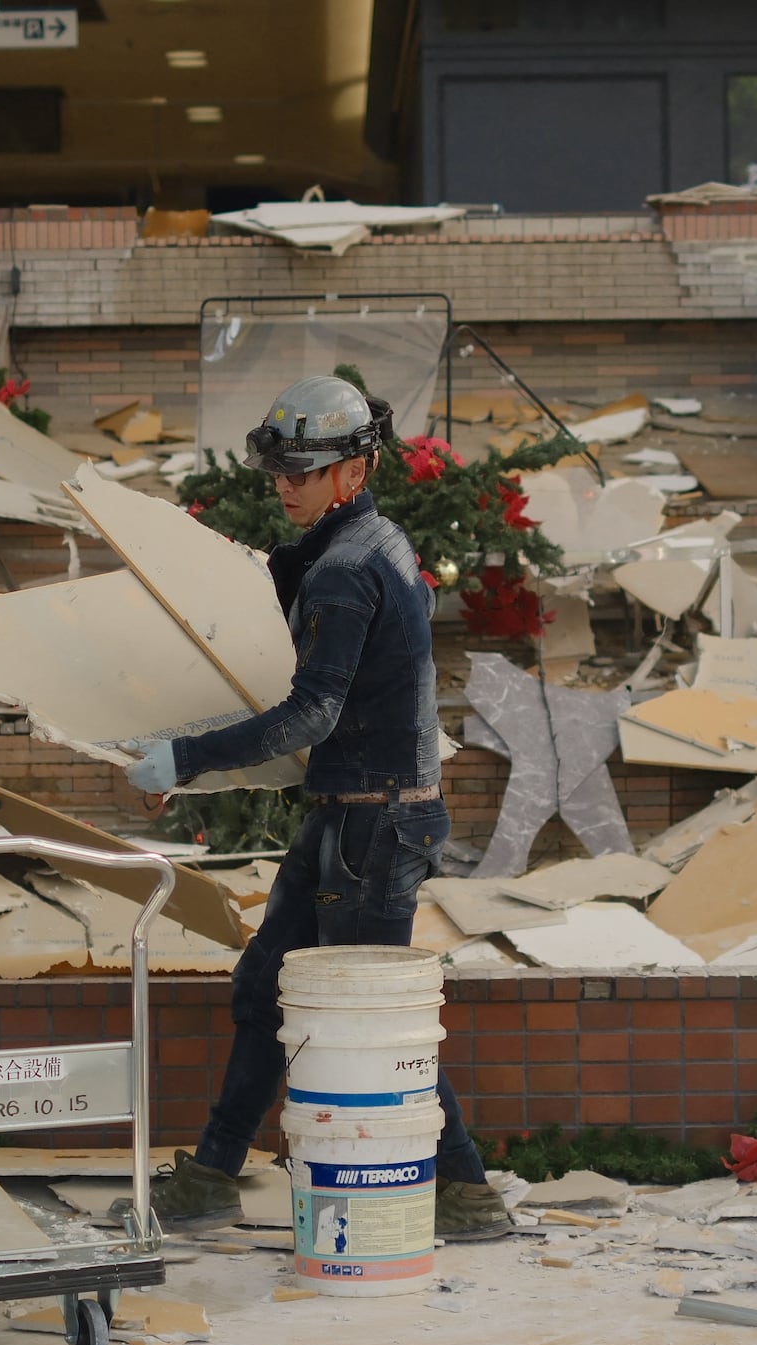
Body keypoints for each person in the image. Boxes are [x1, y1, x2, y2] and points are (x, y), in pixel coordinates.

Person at [122, 376, 509, 1242]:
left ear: (355, 468)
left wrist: (184, 759)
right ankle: (215, 1173)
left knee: (364, 1013)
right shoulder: (375, 542)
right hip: (358, 814)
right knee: (266, 986)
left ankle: (467, 1189)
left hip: (373, 823)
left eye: (303, 469)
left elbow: (311, 714)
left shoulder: (343, 570)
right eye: (279, 469)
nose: (285, 484)